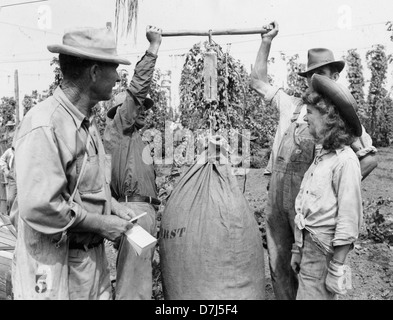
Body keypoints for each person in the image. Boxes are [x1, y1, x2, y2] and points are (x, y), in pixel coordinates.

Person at [250, 21, 378, 300]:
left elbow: (367, 160)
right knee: (279, 265)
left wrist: (327, 193)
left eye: (323, 75)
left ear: (335, 77)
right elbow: (257, 81)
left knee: (313, 274)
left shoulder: (340, 117)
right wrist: (266, 42)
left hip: (307, 210)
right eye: (312, 75)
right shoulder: (292, 105)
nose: (316, 81)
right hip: (277, 204)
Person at [11, 25, 137, 300]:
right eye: (113, 68)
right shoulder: (45, 124)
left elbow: (82, 184)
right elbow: (40, 206)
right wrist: (101, 224)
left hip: (88, 262)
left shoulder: (85, 123)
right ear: (93, 72)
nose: (117, 78)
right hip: (53, 266)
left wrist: (111, 206)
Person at [103, 25, 162, 300]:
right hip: (133, 213)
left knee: (138, 279)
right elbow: (137, 90)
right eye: (138, 107)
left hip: (143, 213)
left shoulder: (138, 139)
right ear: (123, 111)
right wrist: (153, 49)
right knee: (132, 288)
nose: (142, 111)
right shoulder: (119, 128)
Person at [291, 74, 363, 299]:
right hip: (309, 250)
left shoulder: (345, 161)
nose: (305, 119)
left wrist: (336, 269)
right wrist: (297, 250)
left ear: (328, 118)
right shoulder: (323, 157)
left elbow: (349, 220)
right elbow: (306, 207)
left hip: (323, 255)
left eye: (310, 113)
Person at [0, 146, 16, 215]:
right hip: (13, 178)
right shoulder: (9, 151)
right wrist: (5, 170)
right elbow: (2, 159)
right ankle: (10, 216)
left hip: (23, 177)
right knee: (11, 199)